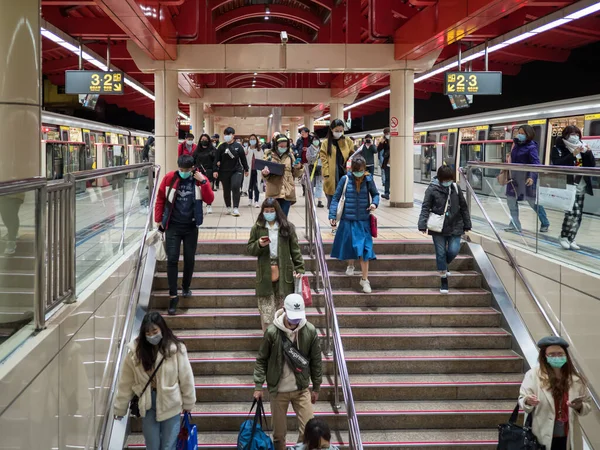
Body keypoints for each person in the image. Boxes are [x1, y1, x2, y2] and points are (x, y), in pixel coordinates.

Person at [114, 312, 196, 450]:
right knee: (152, 446)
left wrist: (189, 401)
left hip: (171, 402)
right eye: (148, 332)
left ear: (162, 329)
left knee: (168, 446)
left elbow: (186, 377)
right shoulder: (136, 353)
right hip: (148, 403)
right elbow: (125, 383)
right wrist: (120, 408)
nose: (152, 335)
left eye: (154, 331)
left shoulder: (176, 349)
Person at [253, 293, 322, 450]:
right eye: (292, 317)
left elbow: (316, 361)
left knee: (308, 431)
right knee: (278, 435)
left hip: (301, 388)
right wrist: (258, 385)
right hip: (279, 390)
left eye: (298, 317)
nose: (295, 321)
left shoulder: (309, 331)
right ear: (283, 310)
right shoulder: (272, 332)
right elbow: (261, 359)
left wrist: (316, 387)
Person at [155, 155, 215, 315]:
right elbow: (160, 198)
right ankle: (173, 296)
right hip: (172, 226)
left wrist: (203, 181)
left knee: (189, 259)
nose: (183, 173)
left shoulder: (198, 180)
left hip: (190, 227)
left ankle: (186, 286)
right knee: (172, 260)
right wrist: (158, 219)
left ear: (192, 168)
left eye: (187, 170)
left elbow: (210, 199)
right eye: (181, 170)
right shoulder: (169, 178)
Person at [519, 336, 591, 450]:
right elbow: (522, 399)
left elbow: (587, 404)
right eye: (552, 354)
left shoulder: (575, 379)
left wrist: (579, 406)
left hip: (567, 435)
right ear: (544, 356)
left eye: (560, 354)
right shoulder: (533, 375)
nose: (557, 357)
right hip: (541, 434)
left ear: (566, 355)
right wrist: (528, 401)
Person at [247, 198, 305, 330]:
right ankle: (269, 341)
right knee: (267, 312)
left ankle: (282, 343)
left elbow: (295, 250)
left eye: (272, 211)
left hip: (284, 272)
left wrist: (299, 268)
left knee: (283, 310)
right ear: (262, 212)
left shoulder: (287, 227)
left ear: (277, 211)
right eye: (266, 211)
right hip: (265, 275)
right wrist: (259, 245)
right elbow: (250, 249)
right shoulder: (258, 228)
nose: (269, 213)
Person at [329, 155, 379, 294]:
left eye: (361, 170)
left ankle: (365, 279)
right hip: (347, 220)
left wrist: (374, 203)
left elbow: (375, 194)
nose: (359, 173)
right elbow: (336, 197)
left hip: (363, 221)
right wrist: (333, 215)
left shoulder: (368, 180)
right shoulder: (345, 179)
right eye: (356, 170)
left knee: (365, 250)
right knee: (350, 245)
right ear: (352, 169)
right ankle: (350, 264)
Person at [418, 165, 471, 294]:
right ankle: (444, 279)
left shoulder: (455, 188)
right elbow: (425, 207)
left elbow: (463, 207)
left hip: (455, 225)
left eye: (450, 179)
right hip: (438, 227)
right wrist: (422, 224)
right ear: (440, 179)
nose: (448, 182)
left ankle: (443, 265)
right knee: (440, 253)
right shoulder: (432, 189)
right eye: (446, 180)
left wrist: (467, 223)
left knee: (453, 250)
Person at [551, 126, 596, 251]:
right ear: (565, 135)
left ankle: (571, 238)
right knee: (571, 213)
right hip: (568, 185)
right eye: (572, 133)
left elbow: (591, 165)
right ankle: (564, 236)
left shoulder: (583, 146)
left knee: (578, 215)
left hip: (581, 184)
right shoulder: (559, 148)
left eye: (577, 133)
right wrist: (573, 154)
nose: (575, 136)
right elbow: (557, 164)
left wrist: (589, 153)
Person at [504, 125, 550, 233]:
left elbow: (535, 164)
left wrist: (531, 177)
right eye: (518, 132)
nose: (519, 135)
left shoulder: (531, 147)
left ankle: (545, 222)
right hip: (513, 178)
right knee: (511, 201)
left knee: (533, 202)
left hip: (526, 179)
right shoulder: (515, 144)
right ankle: (515, 225)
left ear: (528, 135)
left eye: (522, 133)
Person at [261, 135, 303, 217]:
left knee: (283, 219)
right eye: (281, 146)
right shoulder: (269, 155)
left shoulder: (290, 156)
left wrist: (299, 167)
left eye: (285, 146)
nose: (283, 148)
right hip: (273, 192)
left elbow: (296, 174)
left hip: (287, 192)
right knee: (273, 219)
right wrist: (265, 173)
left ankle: (283, 230)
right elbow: (264, 175)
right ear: (276, 145)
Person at [212, 127, 249, 217]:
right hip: (224, 171)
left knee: (236, 186)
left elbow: (243, 159)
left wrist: (246, 169)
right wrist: (215, 170)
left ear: (233, 135)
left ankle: (235, 208)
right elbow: (216, 159)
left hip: (237, 170)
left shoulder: (238, 146)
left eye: (229, 134)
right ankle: (228, 207)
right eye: (225, 134)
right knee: (226, 189)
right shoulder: (221, 147)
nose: (227, 136)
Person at [319, 119, 354, 209]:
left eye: (341, 131)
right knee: (333, 204)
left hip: (345, 173)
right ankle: (333, 220)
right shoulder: (326, 143)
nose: (339, 133)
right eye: (336, 131)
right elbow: (324, 160)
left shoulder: (348, 141)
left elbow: (352, 154)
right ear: (331, 129)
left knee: (346, 202)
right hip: (331, 175)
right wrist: (326, 174)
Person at [193, 133, 216, 214]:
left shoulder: (213, 150)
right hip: (199, 172)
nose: (204, 141)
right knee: (199, 190)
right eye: (202, 140)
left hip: (209, 172)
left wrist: (215, 171)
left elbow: (215, 162)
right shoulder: (197, 150)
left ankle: (209, 204)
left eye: (205, 140)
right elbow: (193, 160)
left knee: (208, 189)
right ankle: (199, 205)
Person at [307, 134, 325, 208]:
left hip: (320, 168)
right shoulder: (309, 149)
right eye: (314, 140)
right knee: (311, 184)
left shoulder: (322, 148)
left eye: (316, 140)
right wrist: (316, 156)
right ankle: (311, 200)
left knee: (319, 184)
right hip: (312, 168)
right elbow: (308, 158)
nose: (315, 141)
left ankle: (319, 200)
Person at [247, 134, 264, 207]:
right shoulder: (246, 149)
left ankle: (256, 201)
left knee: (257, 185)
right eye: (251, 139)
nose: (252, 140)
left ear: (256, 140)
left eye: (254, 139)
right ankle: (250, 199)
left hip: (257, 171)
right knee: (249, 185)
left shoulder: (259, 150)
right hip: (249, 170)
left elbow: (263, 159)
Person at [377, 127, 391, 200]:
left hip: (396, 164)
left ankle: (394, 192)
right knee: (387, 178)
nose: (387, 135)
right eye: (386, 134)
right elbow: (378, 149)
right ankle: (386, 193)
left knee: (394, 179)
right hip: (387, 163)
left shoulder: (396, 139)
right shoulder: (384, 141)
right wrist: (381, 143)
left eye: (388, 133)